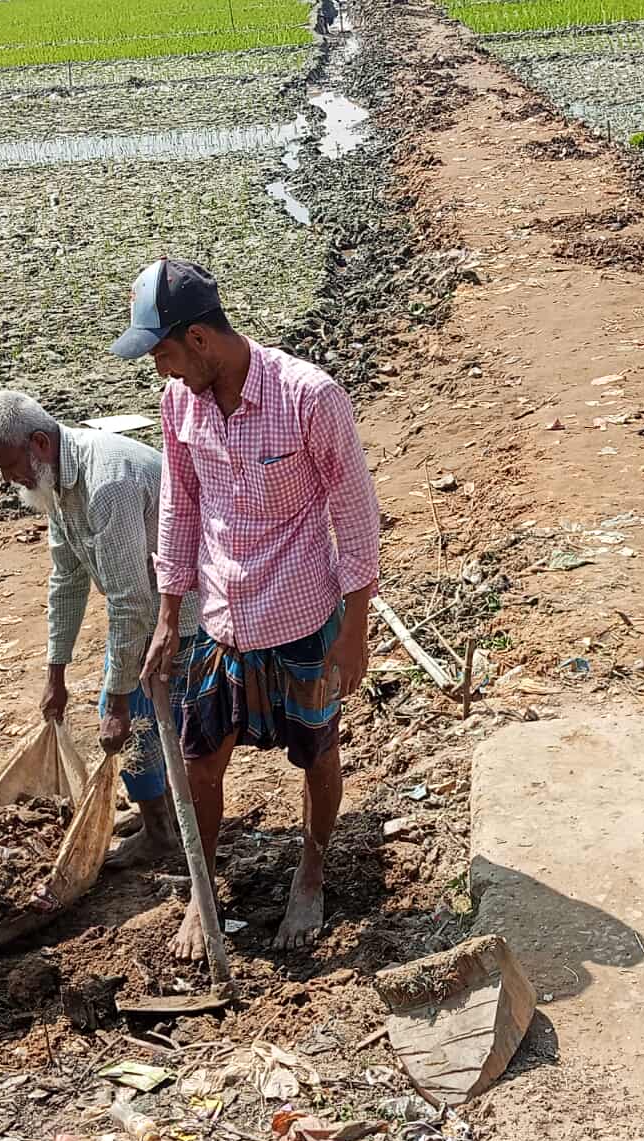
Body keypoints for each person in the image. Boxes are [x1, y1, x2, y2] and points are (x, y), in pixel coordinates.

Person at [119, 257, 381, 959]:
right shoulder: (180, 405)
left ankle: (313, 870)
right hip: (219, 619)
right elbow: (181, 505)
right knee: (202, 760)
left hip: (301, 615)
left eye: (164, 353)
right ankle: (204, 892)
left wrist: (355, 630)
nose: (160, 371)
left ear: (201, 339)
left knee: (317, 752)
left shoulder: (309, 398)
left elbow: (356, 515)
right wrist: (169, 613)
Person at [0, 388, 198, 866]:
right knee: (141, 716)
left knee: (137, 717)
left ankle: (163, 830)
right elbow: (66, 579)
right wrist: (55, 676)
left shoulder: (106, 481)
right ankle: (163, 813)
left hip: (187, 610)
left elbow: (129, 601)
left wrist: (114, 700)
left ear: (40, 443)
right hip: (149, 609)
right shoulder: (54, 484)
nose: (10, 478)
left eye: (11, 465)